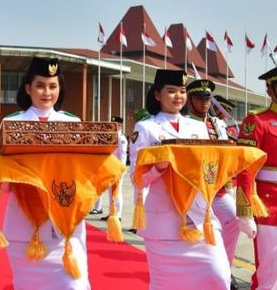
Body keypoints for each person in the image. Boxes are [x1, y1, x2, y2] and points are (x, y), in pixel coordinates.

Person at [130, 69, 230, 289]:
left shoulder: (197, 126)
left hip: (199, 217)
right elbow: (136, 179)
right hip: (164, 223)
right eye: (171, 91)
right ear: (157, 95)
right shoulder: (145, 128)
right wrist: (158, 168)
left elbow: (208, 167)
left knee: (219, 277)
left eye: (182, 91)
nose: (178, 97)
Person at [1, 56, 90, 290]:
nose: (47, 92)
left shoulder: (73, 123)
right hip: (26, 228)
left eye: (53, 86)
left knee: (76, 285)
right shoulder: (11, 123)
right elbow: (1, 182)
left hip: (65, 228)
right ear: (28, 88)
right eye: (40, 85)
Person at [186, 79, 241, 289]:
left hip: (217, 189)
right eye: (200, 98)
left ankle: (225, 267)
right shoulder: (183, 122)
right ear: (190, 100)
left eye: (207, 98)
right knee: (194, 233)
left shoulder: (217, 124)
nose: (205, 103)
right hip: (192, 190)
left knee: (235, 218)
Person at [237, 64, 277, 290]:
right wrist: (244, 211)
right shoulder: (257, 122)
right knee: (269, 273)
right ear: (270, 90)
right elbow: (245, 169)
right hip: (270, 208)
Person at [95, 116, 128, 220]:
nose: (114, 126)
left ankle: (117, 215)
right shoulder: (111, 136)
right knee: (111, 192)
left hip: (118, 168)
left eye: (116, 124)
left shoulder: (121, 138)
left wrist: (121, 169)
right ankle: (111, 213)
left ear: (120, 125)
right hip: (110, 168)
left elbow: (123, 155)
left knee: (117, 192)